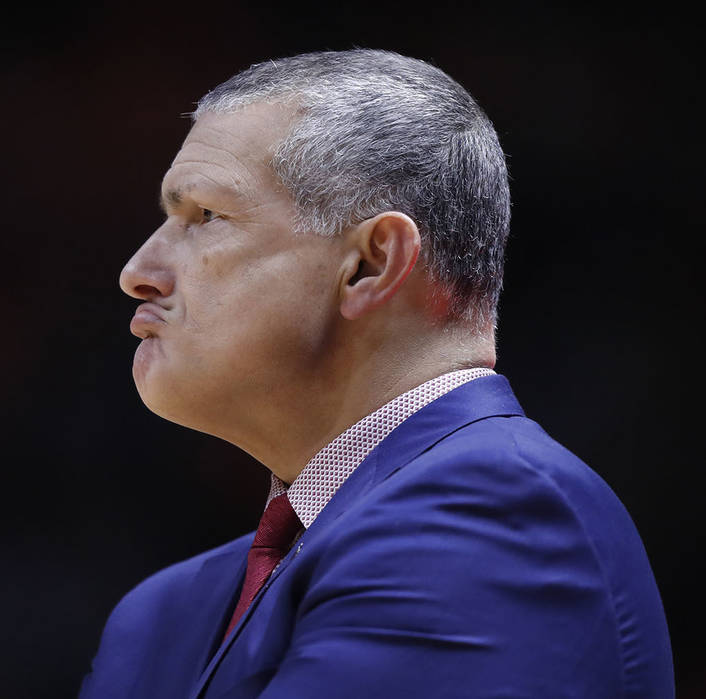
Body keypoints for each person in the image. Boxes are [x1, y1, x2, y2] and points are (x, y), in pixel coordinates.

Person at [80, 49, 673, 698]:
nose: (138, 269)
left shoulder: (493, 511)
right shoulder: (158, 615)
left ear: (370, 263)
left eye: (204, 216)